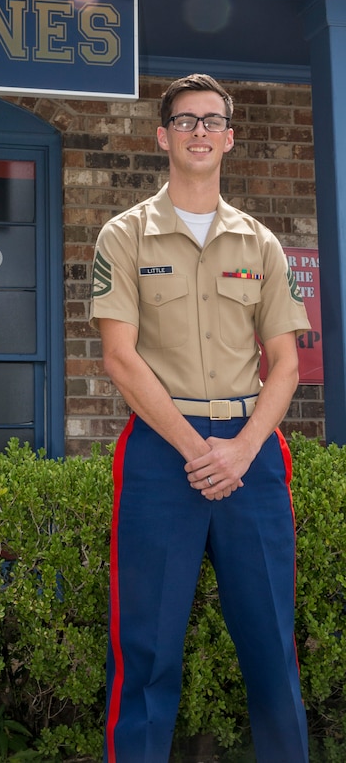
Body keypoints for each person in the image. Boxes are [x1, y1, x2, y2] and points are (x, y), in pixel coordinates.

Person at [90, 74, 310, 763]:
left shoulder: (262, 246)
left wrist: (240, 451)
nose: (200, 132)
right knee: (147, 650)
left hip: (253, 453)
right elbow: (121, 360)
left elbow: (287, 364)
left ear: (230, 138)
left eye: (213, 121)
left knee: (273, 647)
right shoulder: (123, 236)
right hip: (162, 453)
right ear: (162, 136)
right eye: (186, 121)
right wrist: (197, 450)